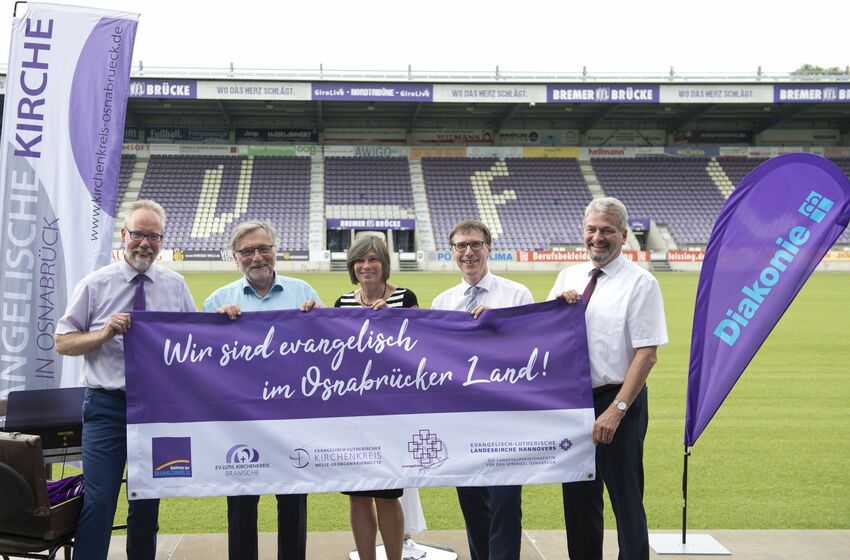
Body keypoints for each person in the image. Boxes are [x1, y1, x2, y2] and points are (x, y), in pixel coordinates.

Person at [55, 200, 196, 560]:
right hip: (107, 406)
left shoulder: (175, 286)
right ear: (124, 235)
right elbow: (63, 341)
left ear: (162, 240)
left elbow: (194, 342)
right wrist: (103, 334)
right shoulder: (96, 284)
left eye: (153, 236)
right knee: (99, 502)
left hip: (157, 409)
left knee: (147, 503)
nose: (145, 243)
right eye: (138, 234)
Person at [548, 197, 668, 560]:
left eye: (607, 231)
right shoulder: (568, 277)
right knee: (579, 502)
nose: (597, 237)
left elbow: (647, 354)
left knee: (626, 499)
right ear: (582, 231)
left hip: (619, 400)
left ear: (623, 235)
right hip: (574, 402)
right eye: (592, 229)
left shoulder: (641, 283)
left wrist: (616, 410)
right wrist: (556, 309)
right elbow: (544, 336)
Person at [202, 220, 321, 560]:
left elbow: (330, 351)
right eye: (248, 251)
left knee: (293, 503)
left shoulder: (304, 293)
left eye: (263, 248)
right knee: (241, 504)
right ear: (235, 257)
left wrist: (318, 319)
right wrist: (215, 328)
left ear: (275, 251)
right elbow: (197, 363)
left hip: (291, 418)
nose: (257, 257)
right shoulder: (218, 300)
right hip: (240, 420)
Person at [431, 220, 533, 560]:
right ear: (453, 253)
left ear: (489, 248)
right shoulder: (442, 302)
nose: (468, 252)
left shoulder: (517, 295)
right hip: (462, 420)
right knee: (472, 505)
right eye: (461, 246)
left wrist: (501, 325)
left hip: (506, 418)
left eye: (475, 244)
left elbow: (533, 354)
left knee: (505, 504)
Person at [333, 234, 418, 560]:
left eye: (373, 260)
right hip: (354, 412)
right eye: (359, 260)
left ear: (384, 264)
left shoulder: (404, 298)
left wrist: (395, 324)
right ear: (352, 266)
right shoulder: (343, 303)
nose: (366, 266)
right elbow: (334, 354)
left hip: (392, 411)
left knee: (387, 493)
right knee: (356, 495)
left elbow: (421, 349)